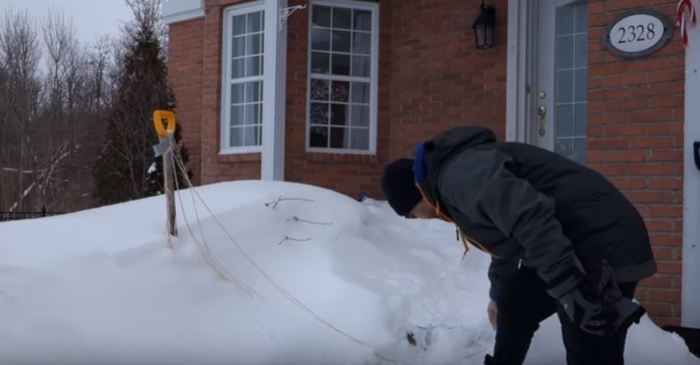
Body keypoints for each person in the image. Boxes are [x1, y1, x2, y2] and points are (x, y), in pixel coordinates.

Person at [381, 127, 656, 365]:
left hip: (603, 238)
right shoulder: (451, 185)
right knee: (515, 303)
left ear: (416, 195)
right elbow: (506, 238)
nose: (416, 219)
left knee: (588, 338)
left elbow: (530, 217)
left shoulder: (461, 178)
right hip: (565, 241)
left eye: (410, 214)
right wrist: (497, 297)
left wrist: (568, 287)